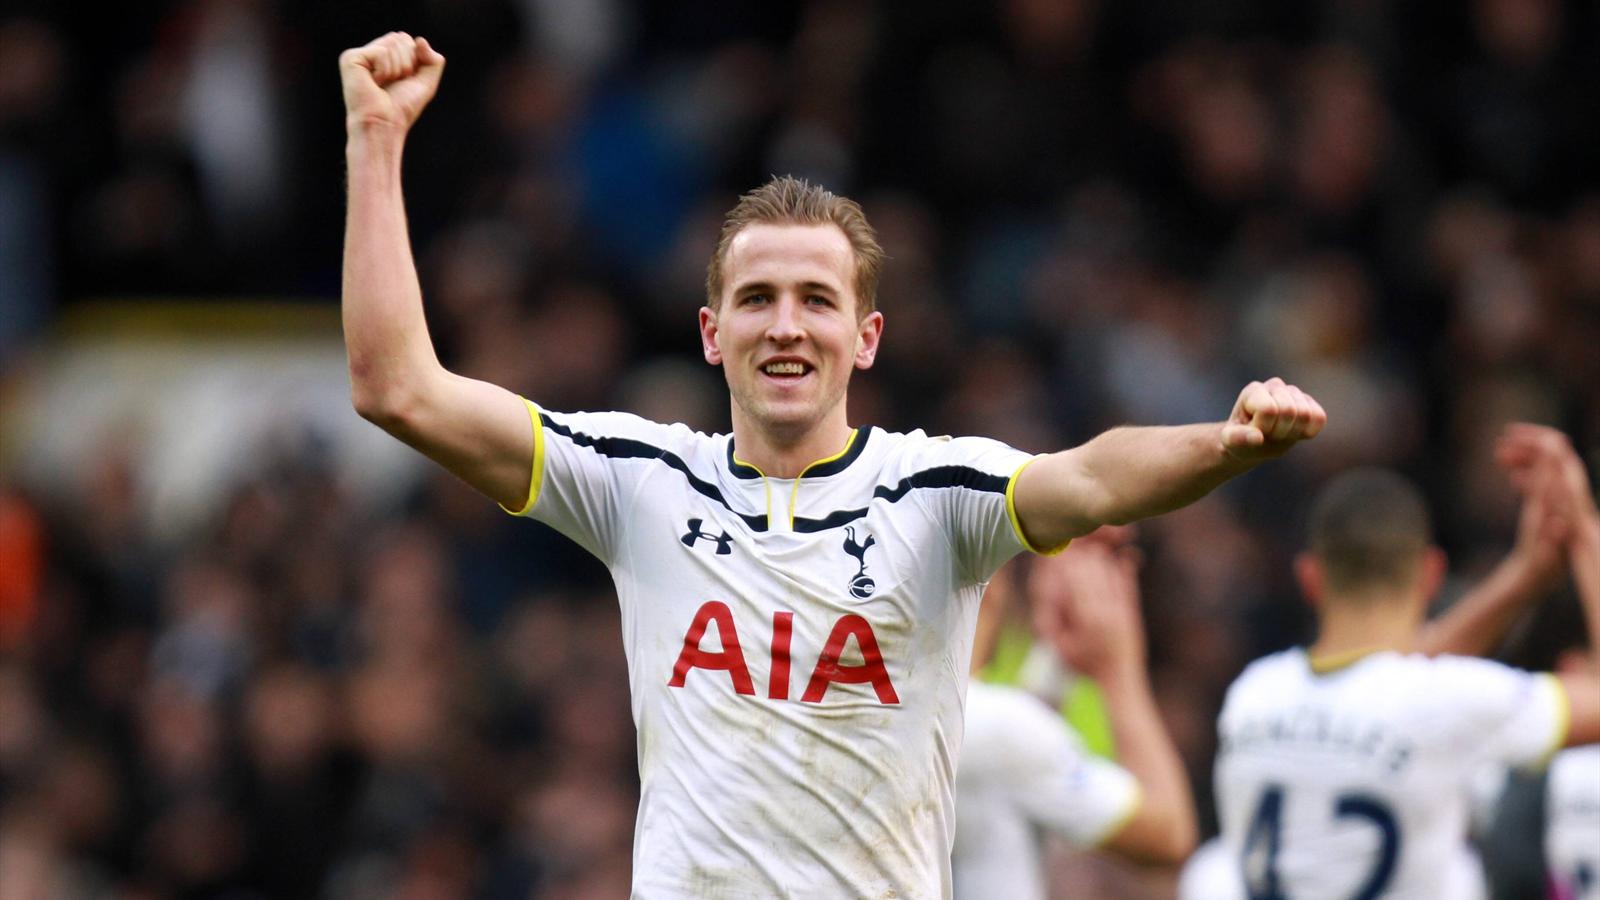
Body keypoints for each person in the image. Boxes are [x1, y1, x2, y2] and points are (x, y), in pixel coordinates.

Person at [339, 31, 1327, 897]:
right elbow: (400, 389)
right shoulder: (640, 482)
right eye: (757, 299)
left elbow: (1094, 476)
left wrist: (1221, 443)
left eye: (816, 300)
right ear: (710, 332)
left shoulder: (936, 496)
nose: (786, 325)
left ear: (866, 337)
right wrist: (375, 140)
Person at [1205, 424, 1600, 900]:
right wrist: (1584, 531)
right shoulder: (1448, 701)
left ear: (1309, 578)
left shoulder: (1251, 695)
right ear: (1432, 575)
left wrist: (1525, 575)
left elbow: (1387, 680)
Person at [954, 527, 1196, 900]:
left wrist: (1055, 660)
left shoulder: (901, 705)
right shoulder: (997, 727)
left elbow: (1012, 761)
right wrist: (1118, 671)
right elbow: (1168, 834)